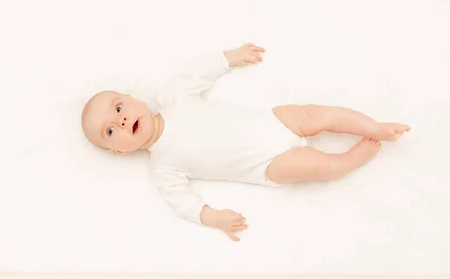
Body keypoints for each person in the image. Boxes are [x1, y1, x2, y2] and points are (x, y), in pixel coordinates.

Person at [80, 43, 410, 241]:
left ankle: (375, 126)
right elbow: (181, 202)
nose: (120, 121)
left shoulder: (172, 98)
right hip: (267, 165)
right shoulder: (162, 166)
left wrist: (228, 58)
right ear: (118, 151)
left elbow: (195, 72)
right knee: (324, 167)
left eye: (119, 108)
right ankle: (354, 158)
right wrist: (213, 217)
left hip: (272, 120)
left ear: (132, 98)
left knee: (318, 114)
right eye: (111, 131)